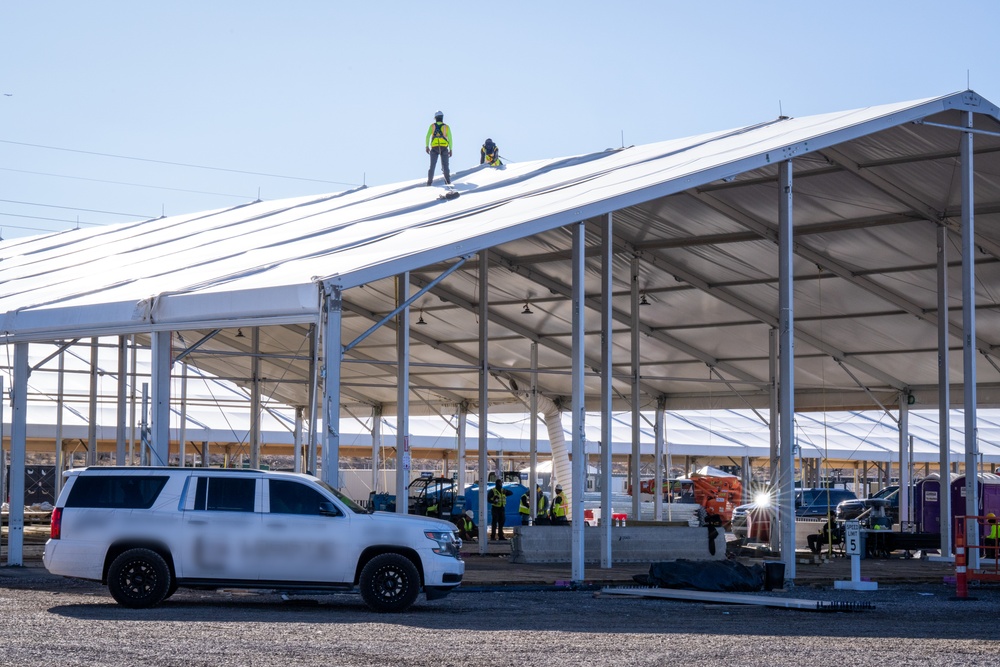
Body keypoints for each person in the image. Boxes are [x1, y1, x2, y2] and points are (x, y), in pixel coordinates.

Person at [425, 110, 452, 186]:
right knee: (445, 166)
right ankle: (448, 182)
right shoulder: (446, 127)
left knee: (432, 166)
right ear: (442, 118)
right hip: (444, 147)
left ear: (435, 118)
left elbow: (427, 137)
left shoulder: (432, 126)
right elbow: (450, 138)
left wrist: (427, 146)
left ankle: (429, 183)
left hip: (434, 148)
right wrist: (451, 149)